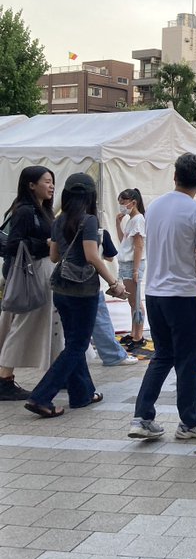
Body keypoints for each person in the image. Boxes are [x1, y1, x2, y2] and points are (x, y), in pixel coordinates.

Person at [129, 153, 196, 440]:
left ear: (175, 175)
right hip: (184, 295)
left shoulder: (154, 207)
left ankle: (142, 417)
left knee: (162, 356)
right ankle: (190, 422)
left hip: (155, 294)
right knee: (189, 362)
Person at [24, 173, 127, 418]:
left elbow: (54, 257)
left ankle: (82, 394)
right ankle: (41, 397)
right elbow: (92, 256)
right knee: (77, 345)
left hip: (61, 290)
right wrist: (114, 283)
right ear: (91, 196)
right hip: (83, 291)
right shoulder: (89, 220)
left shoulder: (59, 220)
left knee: (74, 343)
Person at [0, 166, 62, 400]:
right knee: (22, 328)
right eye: (46, 181)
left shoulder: (42, 210)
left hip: (36, 275)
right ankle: (4, 379)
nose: (51, 186)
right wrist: (44, 244)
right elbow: (13, 244)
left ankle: (58, 374)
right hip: (29, 277)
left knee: (46, 325)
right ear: (31, 185)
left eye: (52, 181)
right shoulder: (25, 211)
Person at [90, 228, 139, 366]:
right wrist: (113, 283)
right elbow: (108, 256)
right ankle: (113, 355)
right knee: (100, 321)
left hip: (64, 283)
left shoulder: (60, 224)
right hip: (90, 283)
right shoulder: (96, 230)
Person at [115, 188, 147, 352]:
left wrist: (135, 270)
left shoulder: (138, 219)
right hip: (127, 264)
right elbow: (124, 242)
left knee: (136, 301)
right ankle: (134, 333)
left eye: (123, 202)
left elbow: (139, 246)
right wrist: (117, 223)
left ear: (133, 202)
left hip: (133, 264)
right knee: (132, 301)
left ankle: (138, 336)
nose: (121, 206)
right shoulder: (131, 220)